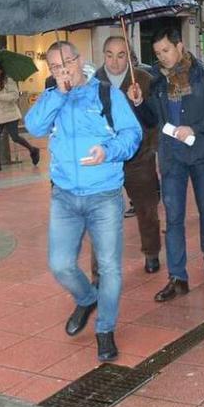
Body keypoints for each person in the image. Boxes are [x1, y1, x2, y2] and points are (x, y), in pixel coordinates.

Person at [24, 41, 142, 362]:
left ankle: (105, 329)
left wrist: (109, 151)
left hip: (103, 194)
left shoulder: (105, 93)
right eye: (57, 67)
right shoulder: (52, 97)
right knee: (60, 265)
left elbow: (132, 135)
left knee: (110, 268)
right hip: (64, 196)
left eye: (68, 64)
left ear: (80, 60)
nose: (65, 71)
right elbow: (33, 126)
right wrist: (59, 94)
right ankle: (87, 298)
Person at [131, 27, 204, 302]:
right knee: (173, 217)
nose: (162, 57)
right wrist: (139, 103)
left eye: (166, 50)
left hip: (202, 152)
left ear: (180, 46)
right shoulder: (156, 81)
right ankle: (178, 277)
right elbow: (153, 120)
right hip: (172, 155)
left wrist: (195, 128)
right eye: (157, 53)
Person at [94, 36, 162, 274]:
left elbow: (155, 120)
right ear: (103, 56)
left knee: (146, 208)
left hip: (139, 157)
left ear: (129, 56)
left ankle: (151, 252)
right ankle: (99, 265)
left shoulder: (143, 79)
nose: (114, 61)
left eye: (121, 55)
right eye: (109, 55)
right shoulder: (93, 82)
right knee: (101, 213)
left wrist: (140, 102)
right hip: (107, 158)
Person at [0, 62, 40, 172]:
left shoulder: (9, 81)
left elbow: (15, 96)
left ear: (1, 70)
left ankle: (33, 150)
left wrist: (1, 97)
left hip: (10, 114)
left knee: (15, 137)